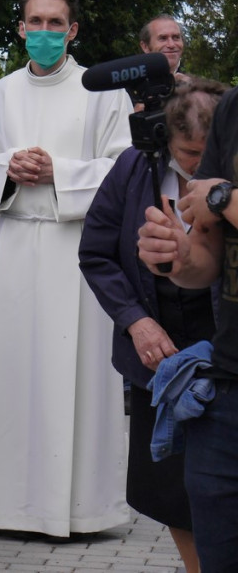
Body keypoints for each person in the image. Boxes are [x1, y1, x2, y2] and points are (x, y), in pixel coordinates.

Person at [0, 0, 133, 536]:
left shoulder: (103, 92)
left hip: (81, 251)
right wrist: (10, 168)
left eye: (55, 24)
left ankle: (83, 508)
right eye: (35, 22)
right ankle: (10, 506)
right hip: (15, 247)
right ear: (20, 28)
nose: (44, 33)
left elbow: (126, 166)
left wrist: (61, 172)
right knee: (15, 372)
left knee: (76, 376)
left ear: (73, 30)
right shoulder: (0, 94)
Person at [80, 77, 228, 572]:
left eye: (209, 152)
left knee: (220, 490)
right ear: (166, 139)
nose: (198, 163)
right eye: (188, 153)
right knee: (171, 493)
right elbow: (96, 254)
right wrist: (135, 321)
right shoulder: (133, 168)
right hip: (157, 359)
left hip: (224, 354)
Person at [138, 83, 238, 572]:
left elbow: (217, 201)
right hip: (228, 385)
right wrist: (176, 256)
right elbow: (208, 260)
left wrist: (222, 196)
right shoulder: (233, 109)